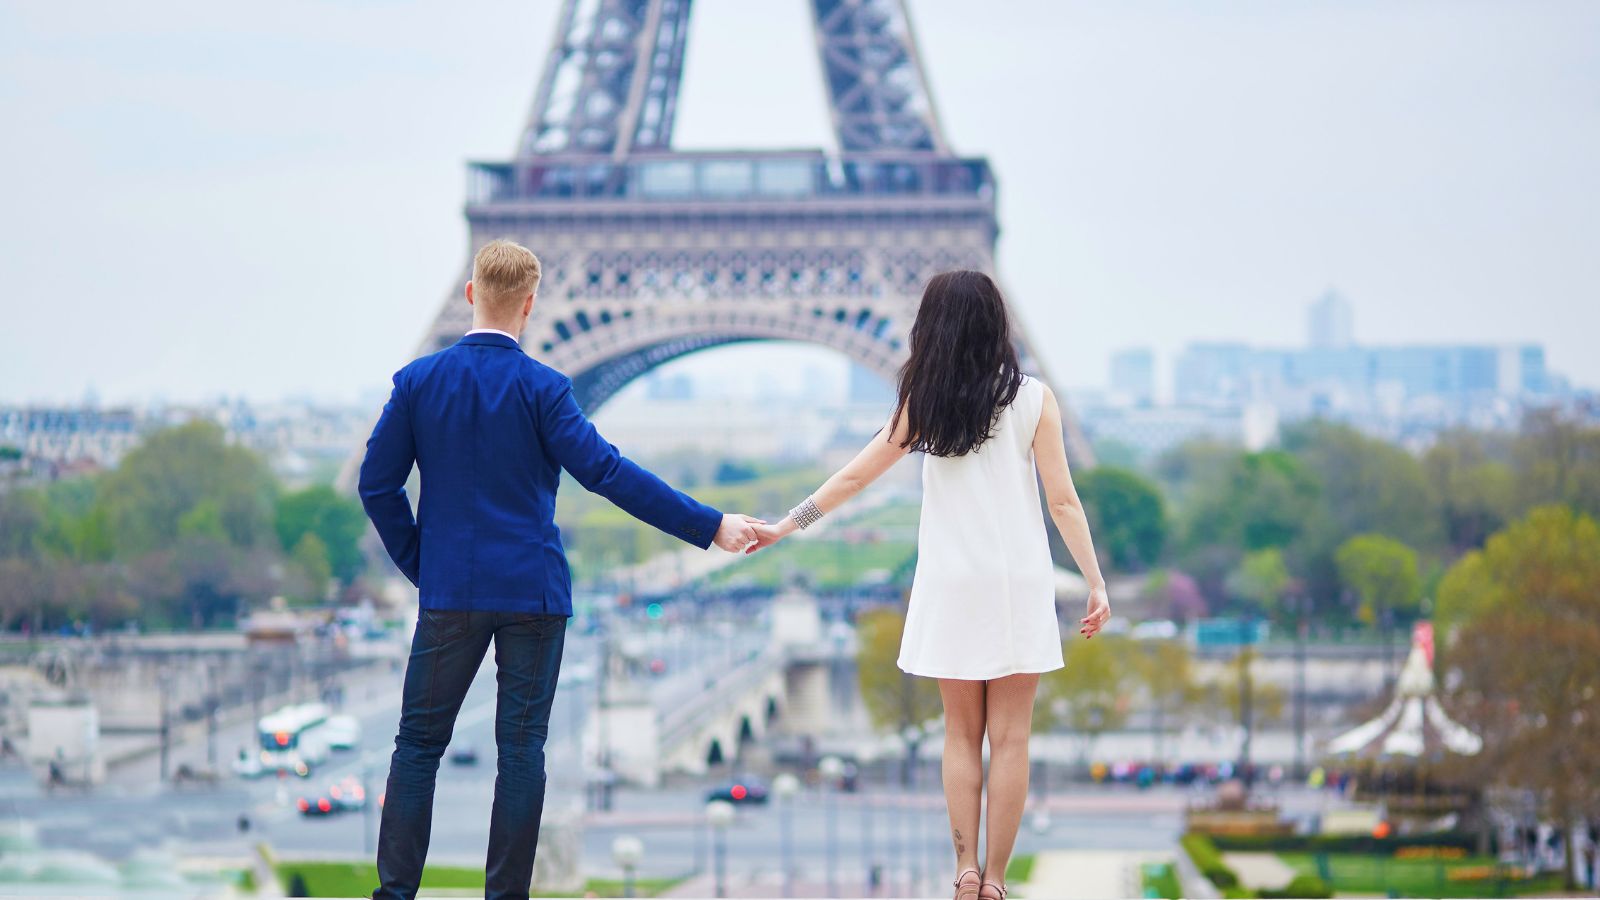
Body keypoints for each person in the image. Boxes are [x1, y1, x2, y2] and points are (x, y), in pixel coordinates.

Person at [359, 240, 762, 900]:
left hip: (451, 591)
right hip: (533, 594)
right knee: (521, 754)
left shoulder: (418, 383)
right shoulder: (545, 389)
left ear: (469, 294)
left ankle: (395, 893)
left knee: (417, 747)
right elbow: (608, 473)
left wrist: (423, 567)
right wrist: (710, 525)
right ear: (531, 303)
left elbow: (378, 488)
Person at [750, 270, 1110, 900]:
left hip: (951, 584)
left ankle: (964, 868)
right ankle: (996, 879)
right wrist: (1095, 582)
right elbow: (1064, 503)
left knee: (959, 734)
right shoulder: (1035, 400)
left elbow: (852, 480)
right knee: (1012, 738)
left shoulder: (924, 405)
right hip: (1017, 582)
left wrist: (788, 524)